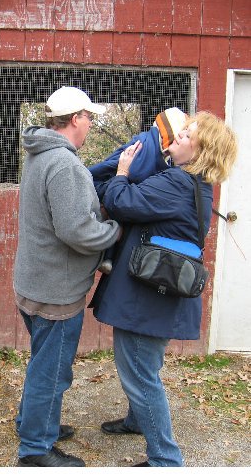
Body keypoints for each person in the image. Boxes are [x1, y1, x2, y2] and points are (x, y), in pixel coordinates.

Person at [89, 111, 238, 467]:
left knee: (139, 372)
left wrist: (122, 171)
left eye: (187, 136)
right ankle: (137, 420)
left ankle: (165, 460)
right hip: (160, 291)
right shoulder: (198, 185)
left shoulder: (176, 183)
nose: (177, 138)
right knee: (146, 365)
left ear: (202, 152)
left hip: (148, 296)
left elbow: (120, 202)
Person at [13, 86, 122, 467]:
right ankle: (35, 450)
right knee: (53, 371)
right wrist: (115, 232)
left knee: (43, 360)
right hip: (56, 291)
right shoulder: (65, 164)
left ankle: (33, 421)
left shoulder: (40, 155)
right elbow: (77, 231)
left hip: (33, 281)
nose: (91, 123)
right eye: (89, 117)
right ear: (76, 119)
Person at [89, 107, 188, 273]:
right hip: (114, 188)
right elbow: (116, 170)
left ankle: (108, 256)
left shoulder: (171, 169)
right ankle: (107, 255)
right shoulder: (144, 146)